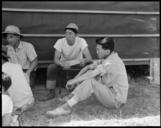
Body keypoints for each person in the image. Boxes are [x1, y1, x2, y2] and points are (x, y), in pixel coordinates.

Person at [46, 37, 129, 117]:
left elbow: (91, 75)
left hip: (116, 101)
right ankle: (71, 96)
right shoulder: (108, 57)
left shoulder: (111, 62)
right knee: (90, 74)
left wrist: (73, 81)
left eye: (98, 50)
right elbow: (88, 68)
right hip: (109, 92)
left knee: (91, 81)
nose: (96, 52)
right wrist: (74, 79)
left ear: (107, 51)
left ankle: (65, 108)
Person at [40, 23, 92, 101]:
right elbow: (56, 59)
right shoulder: (60, 41)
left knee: (90, 65)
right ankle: (51, 92)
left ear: (76, 35)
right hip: (64, 64)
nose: (67, 35)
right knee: (51, 67)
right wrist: (61, 64)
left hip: (77, 64)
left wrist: (84, 61)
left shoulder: (81, 41)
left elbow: (89, 58)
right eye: (66, 33)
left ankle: (87, 91)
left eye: (70, 33)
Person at [2, 46, 35, 113]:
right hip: (30, 102)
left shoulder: (3, 70)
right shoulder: (18, 66)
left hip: (14, 106)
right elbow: (26, 81)